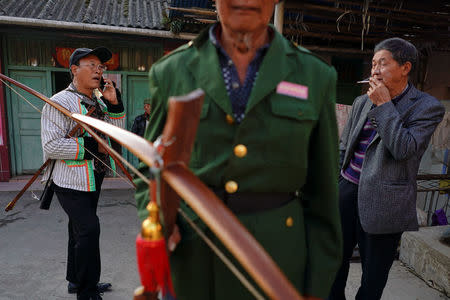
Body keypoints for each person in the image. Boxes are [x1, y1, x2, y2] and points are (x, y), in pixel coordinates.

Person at [134, 1, 342, 299]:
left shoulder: (315, 75)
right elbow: (150, 163)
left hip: (277, 264)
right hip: (192, 259)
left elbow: (323, 193)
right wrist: (156, 218)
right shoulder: (171, 71)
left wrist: (316, 287)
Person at [328, 38, 445, 300]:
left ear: (405, 68)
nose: (375, 71)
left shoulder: (427, 107)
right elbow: (344, 147)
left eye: (383, 63)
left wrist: (384, 105)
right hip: (347, 190)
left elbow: (404, 149)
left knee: (373, 275)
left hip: (385, 199)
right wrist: (337, 183)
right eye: (373, 64)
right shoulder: (361, 102)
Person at [41, 47, 126, 300]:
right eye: (92, 65)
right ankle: (87, 291)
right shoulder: (58, 102)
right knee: (89, 229)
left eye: (101, 67)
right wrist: (92, 147)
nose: (99, 71)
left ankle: (76, 280)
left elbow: (116, 135)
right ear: (74, 69)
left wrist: (114, 103)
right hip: (69, 179)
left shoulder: (99, 99)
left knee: (77, 230)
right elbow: (52, 146)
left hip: (93, 175)